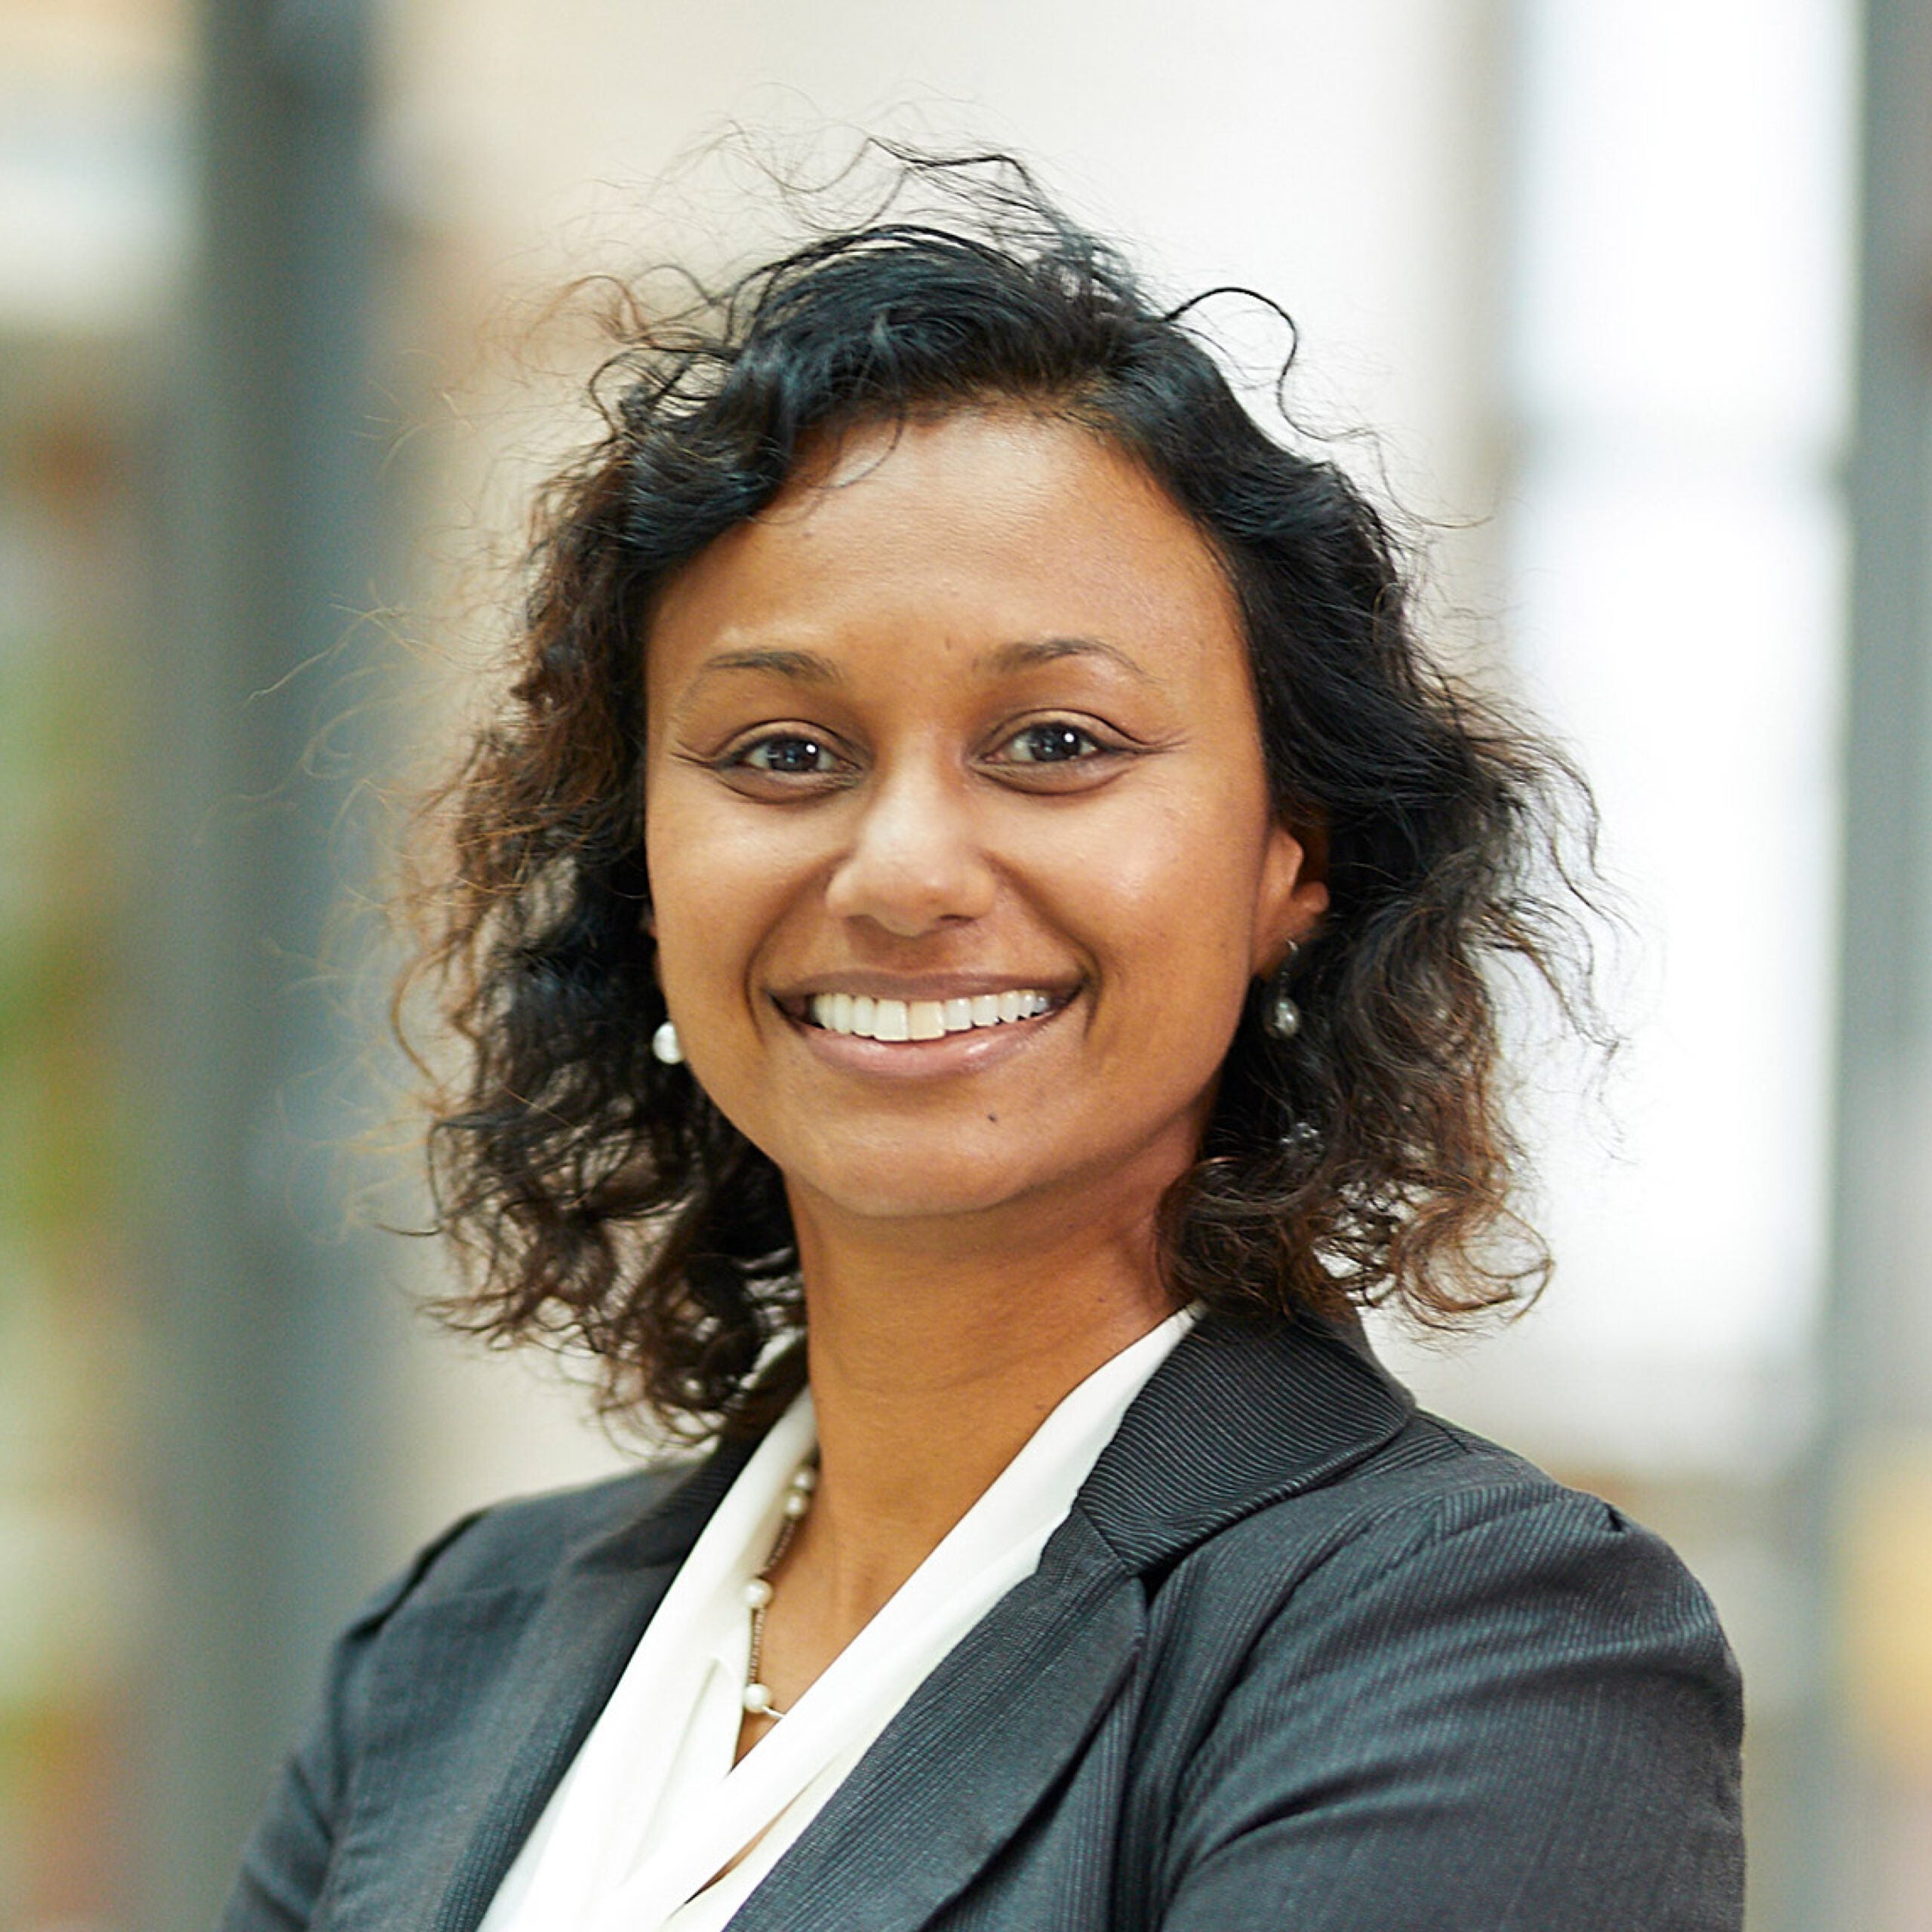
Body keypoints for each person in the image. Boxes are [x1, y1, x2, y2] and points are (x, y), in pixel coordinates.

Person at [220, 153, 1743, 1931]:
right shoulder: (452, 1648)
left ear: (1292, 860)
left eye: (1053, 742)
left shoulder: (1479, 1649)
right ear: (639, 871)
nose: (904, 870)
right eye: (781, 753)